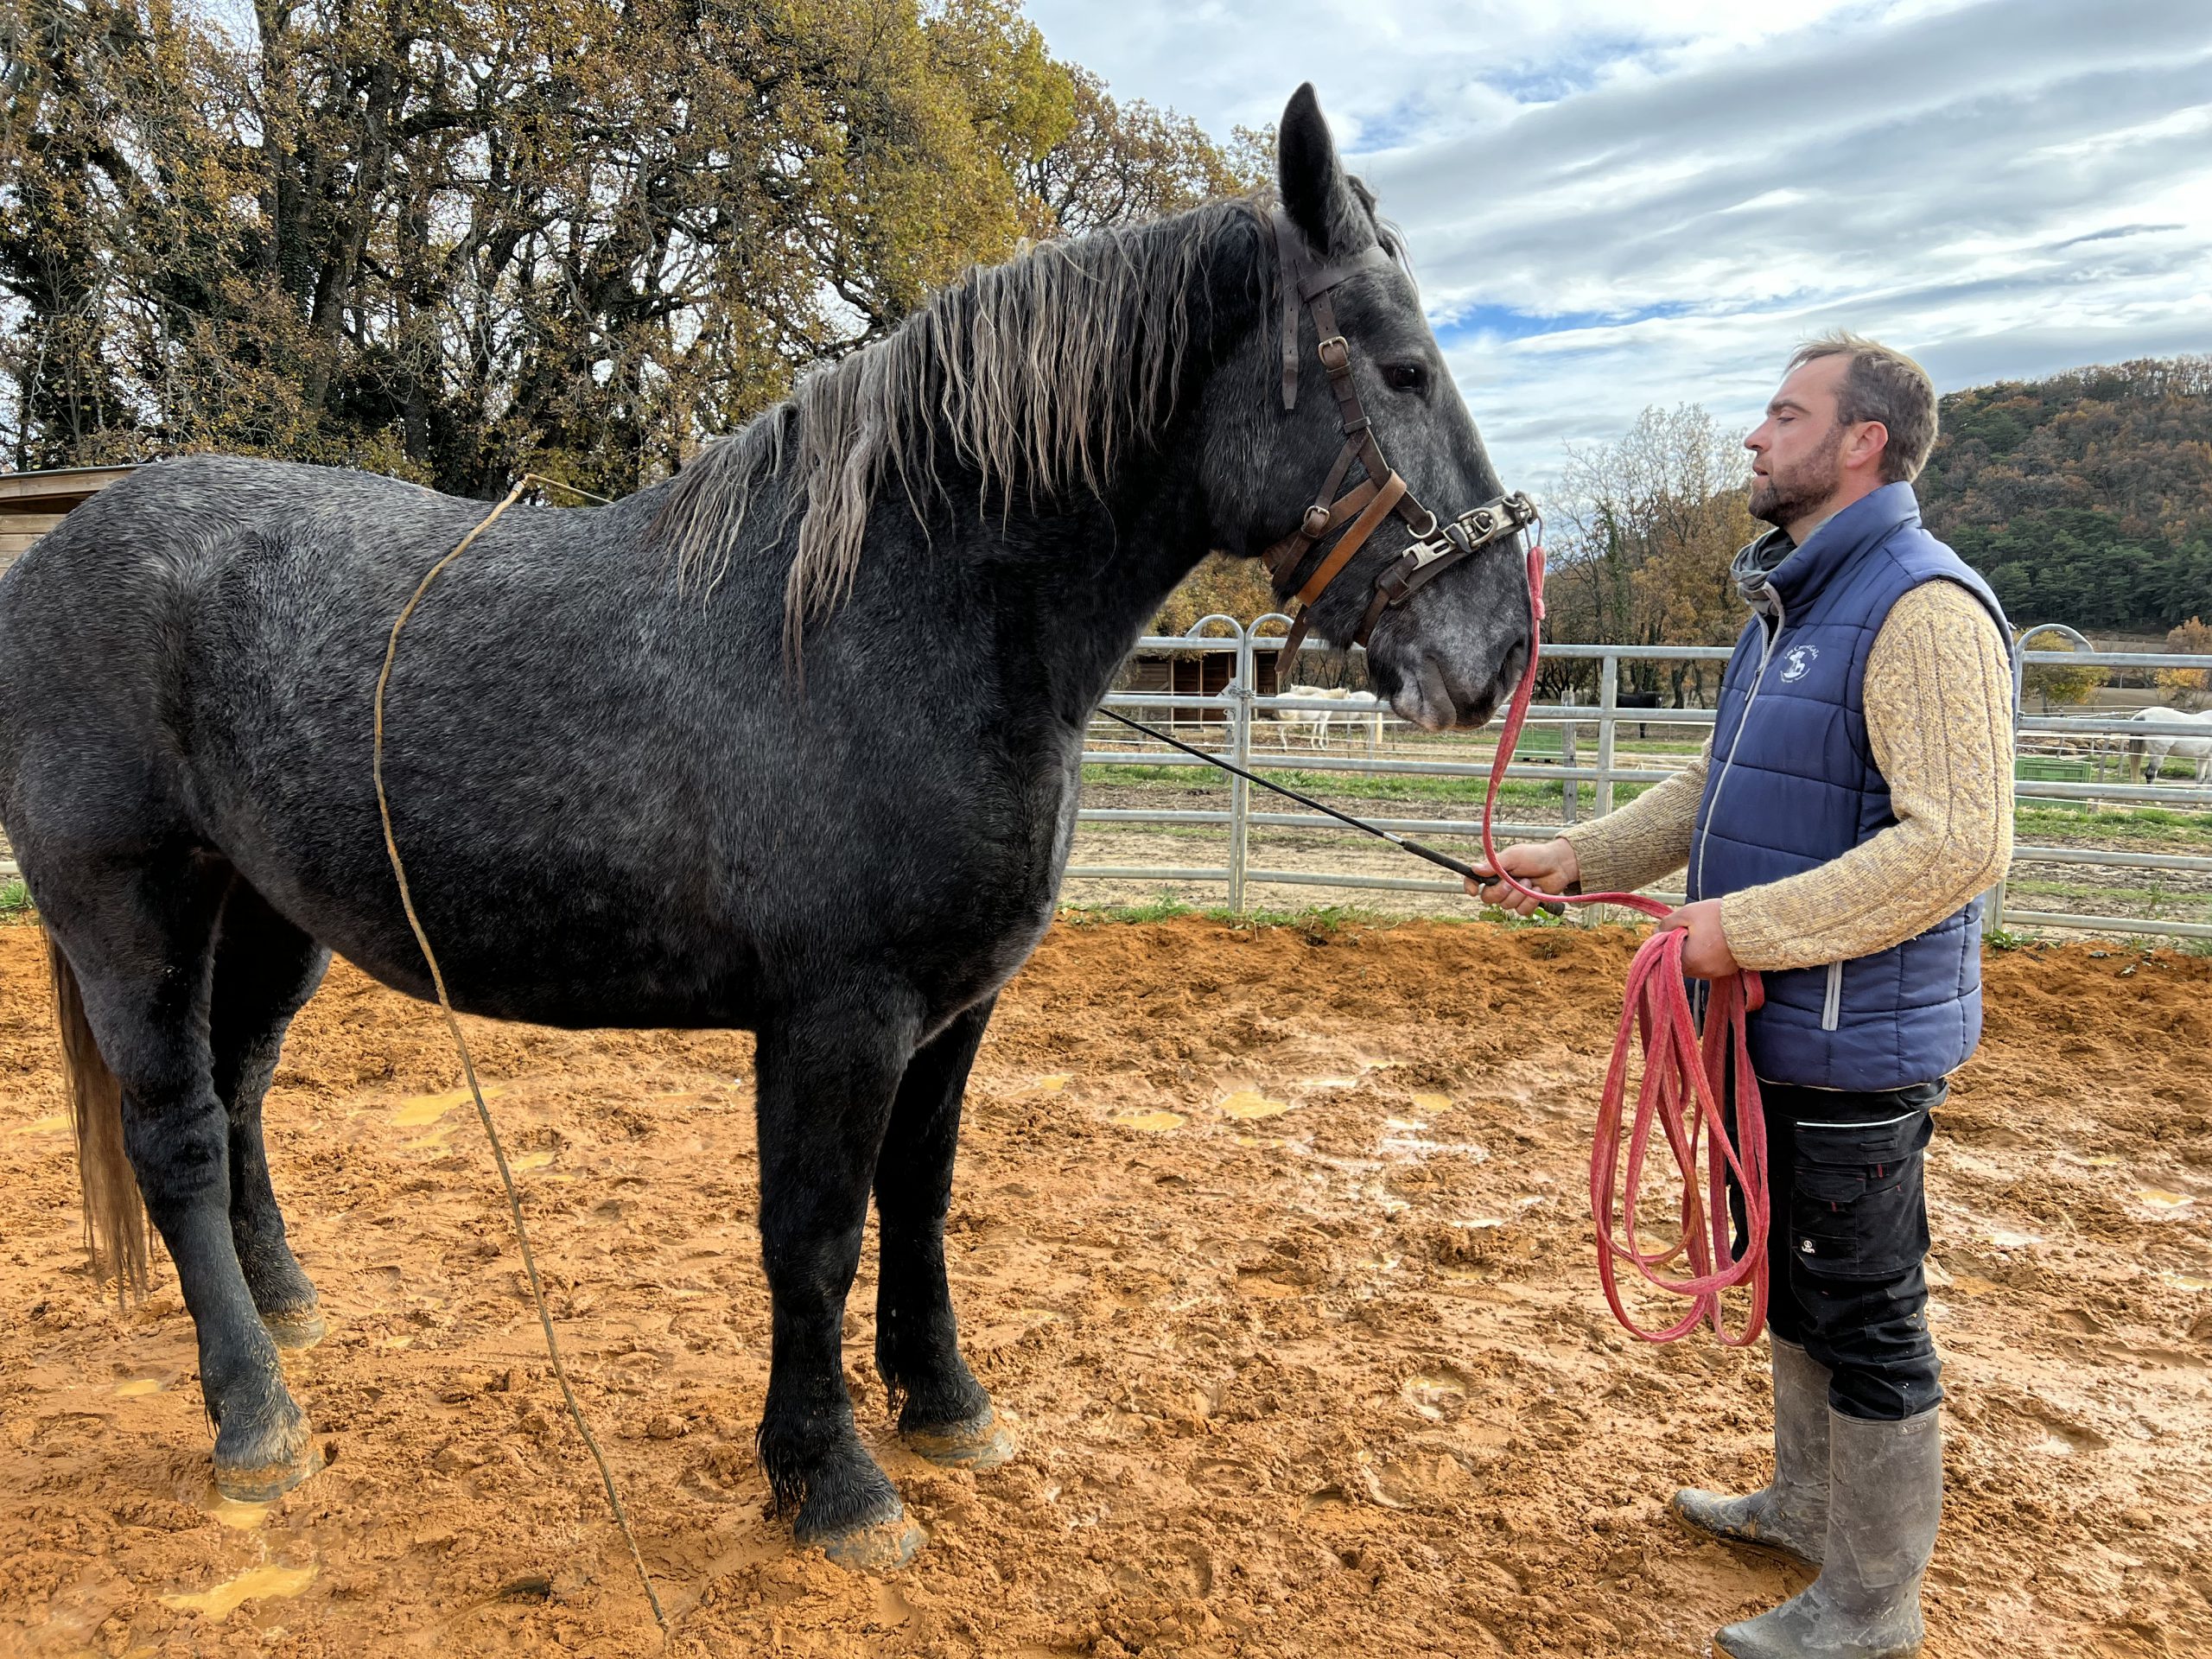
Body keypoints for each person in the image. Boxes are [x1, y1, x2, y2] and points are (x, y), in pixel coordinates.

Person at [1470, 334, 2014, 1659]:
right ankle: (1806, 1504)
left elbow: (1958, 844)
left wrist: (1744, 931)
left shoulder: (1920, 609)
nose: (1754, 439)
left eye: (1785, 414)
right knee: (1796, 1277)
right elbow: (1720, 791)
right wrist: (1584, 860)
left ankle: (1872, 1605)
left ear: (1862, 442)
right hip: (1775, 1023)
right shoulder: (1792, 606)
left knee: (1867, 1312)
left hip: (1850, 1036)